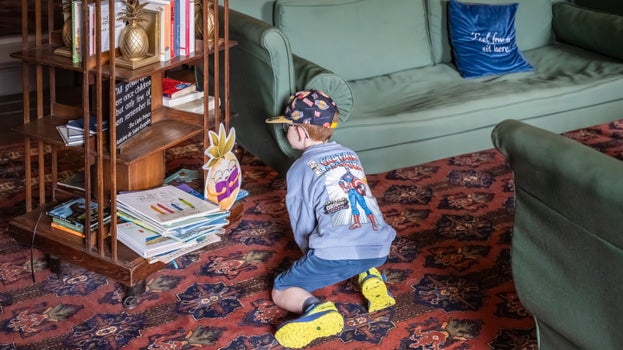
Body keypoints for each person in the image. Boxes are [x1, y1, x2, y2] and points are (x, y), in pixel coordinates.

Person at [265, 89, 397, 348]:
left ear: (301, 132)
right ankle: (371, 276)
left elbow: (302, 222)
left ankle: (317, 310)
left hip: (332, 253)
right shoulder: (351, 155)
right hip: (379, 248)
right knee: (352, 235)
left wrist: (310, 255)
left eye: (287, 127)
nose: (285, 132)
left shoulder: (299, 169)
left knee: (280, 289)